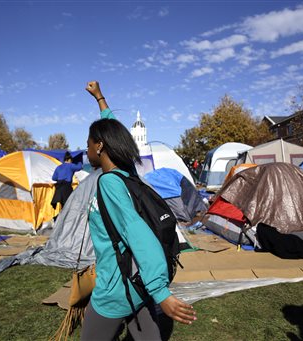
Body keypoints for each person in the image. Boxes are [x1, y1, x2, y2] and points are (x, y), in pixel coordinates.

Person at [81, 80, 196, 341]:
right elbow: (115, 136)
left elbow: (136, 230)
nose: (86, 150)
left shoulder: (110, 182)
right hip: (137, 284)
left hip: (115, 288)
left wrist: (161, 292)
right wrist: (100, 100)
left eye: (88, 144)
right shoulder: (128, 175)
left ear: (99, 146)